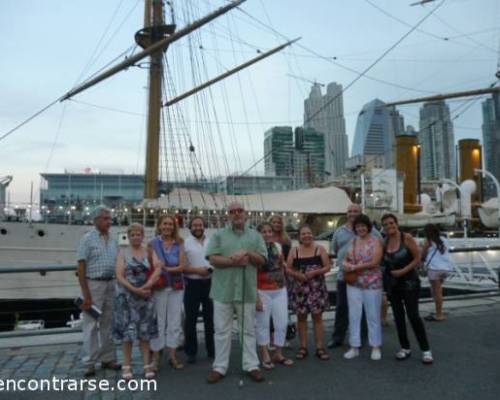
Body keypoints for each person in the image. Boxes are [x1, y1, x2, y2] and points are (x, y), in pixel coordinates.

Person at [205, 202, 267, 384]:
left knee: (248, 330)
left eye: (239, 211)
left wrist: (247, 252)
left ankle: (251, 365)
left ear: (245, 213)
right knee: (221, 331)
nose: (236, 214)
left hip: (247, 289)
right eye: (232, 212)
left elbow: (262, 259)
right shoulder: (218, 235)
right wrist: (234, 262)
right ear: (228, 215)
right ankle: (219, 367)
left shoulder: (255, 236)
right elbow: (212, 258)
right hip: (223, 289)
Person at [381, 213, 433, 364]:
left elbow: (417, 258)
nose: (389, 226)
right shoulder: (384, 242)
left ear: (396, 223)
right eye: (385, 225)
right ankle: (405, 347)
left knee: (413, 315)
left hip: (409, 282)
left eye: (391, 223)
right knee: (398, 316)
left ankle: (426, 349)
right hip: (393, 284)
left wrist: (403, 271)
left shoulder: (406, 238)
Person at [76, 206, 121, 377]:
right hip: (93, 284)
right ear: (96, 220)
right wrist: (86, 293)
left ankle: (108, 358)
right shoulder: (87, 239)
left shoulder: (113, 240)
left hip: (111, 284)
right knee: (90, 324)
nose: (109, 222)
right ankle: (89, 362)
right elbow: (81, 266)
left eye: (110, 218)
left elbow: (117, 262)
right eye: (105, 218)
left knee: (108, 323)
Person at [329, 204, 381, 348]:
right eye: (350, 211)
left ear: (361, 213)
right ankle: (337, 338)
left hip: (365, 278)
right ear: (346, 214)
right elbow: (336, 249)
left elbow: (380, 248)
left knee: (365, 309)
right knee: (342, 308)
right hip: (345, 276)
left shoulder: (374, 232)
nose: (352, 214)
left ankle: (364, 338)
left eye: (355, 211)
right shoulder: (339, 232)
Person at [113, 223, 159, 379]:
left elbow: (158, 268)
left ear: (142, 235)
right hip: (127, 298)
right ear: (129, 236)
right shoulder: (122, 253)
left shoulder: (149, 251)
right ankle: (127, 366)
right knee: (128, 333)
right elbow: (119, 275)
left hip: (145, 296)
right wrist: (134, 290)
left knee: (144, 333)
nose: (135, 237)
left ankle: (147, 365)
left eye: (138, 234)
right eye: (132, 234)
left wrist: (147, 286)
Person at [287, 225, 331, 361]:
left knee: (317, 318)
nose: (307, 236)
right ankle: (303, 347)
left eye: (309, 233)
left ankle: (319, 347)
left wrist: (315, 272)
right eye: (303, 234)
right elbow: (288, 269)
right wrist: (297, 275)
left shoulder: (320, 249)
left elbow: (328, 267)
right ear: (299, 236)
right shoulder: (294, 251)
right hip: (300, 290)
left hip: (316, 289)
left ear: (313, 235)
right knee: (301, 318)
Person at [343, 214, 383, 361]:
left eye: (363, 226)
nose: (360, 228)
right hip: (354, 283)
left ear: (368, 227)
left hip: (372, 283)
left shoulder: (376, 241)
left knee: (373, 315)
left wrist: (355, 266)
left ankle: (376, 346)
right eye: (358, 226)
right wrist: (346, 265)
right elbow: (346, 259)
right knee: (354, 315)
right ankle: (354, 346)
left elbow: (375, 262)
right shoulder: (352, 241)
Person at [149, 215, 186, 370]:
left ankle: (172, 354)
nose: (167, 227)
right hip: (160, 286)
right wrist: (168, 268)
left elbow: (182, 266)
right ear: (159, 225)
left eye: (170, 224)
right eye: (165, 224)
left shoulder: (180, 243)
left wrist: (166, 269)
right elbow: (154, 264)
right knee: (158, 321)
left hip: (176, 287)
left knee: (174, 322)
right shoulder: (153, 243)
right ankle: (156, 357)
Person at [255, 222, 293, 369]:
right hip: (262, 290)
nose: (267, 234)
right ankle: (265, 354)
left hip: (280, 289)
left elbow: (282, 265)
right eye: (264, 232)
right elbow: (252, 272)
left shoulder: (277, 246)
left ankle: (278, 353)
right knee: (263, 324)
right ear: (258, 234)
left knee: (281, 322)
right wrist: (256, 296)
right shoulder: (255, 250)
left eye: (269, 231)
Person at [183, 217, 215, 364]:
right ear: (190, 227)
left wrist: (210, 269)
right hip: (192, 283)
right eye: (195, 225)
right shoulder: (185, 243)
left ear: (204, 226)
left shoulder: (211, 241)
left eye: (200, 225)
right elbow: (181, 266)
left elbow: (215, 259)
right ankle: (191, 352)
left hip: (210, 282)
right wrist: (196, 270)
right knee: (191, 319)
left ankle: (212, 350)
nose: (198, 227)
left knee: (210, 318)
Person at [422, 223, 455, 322]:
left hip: (434, 269)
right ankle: (438, 311)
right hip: (446, 268)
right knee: (436, 290)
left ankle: (439, 314)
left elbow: (423, 255)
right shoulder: (444, 239)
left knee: (437, 292)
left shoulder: (428, 241)